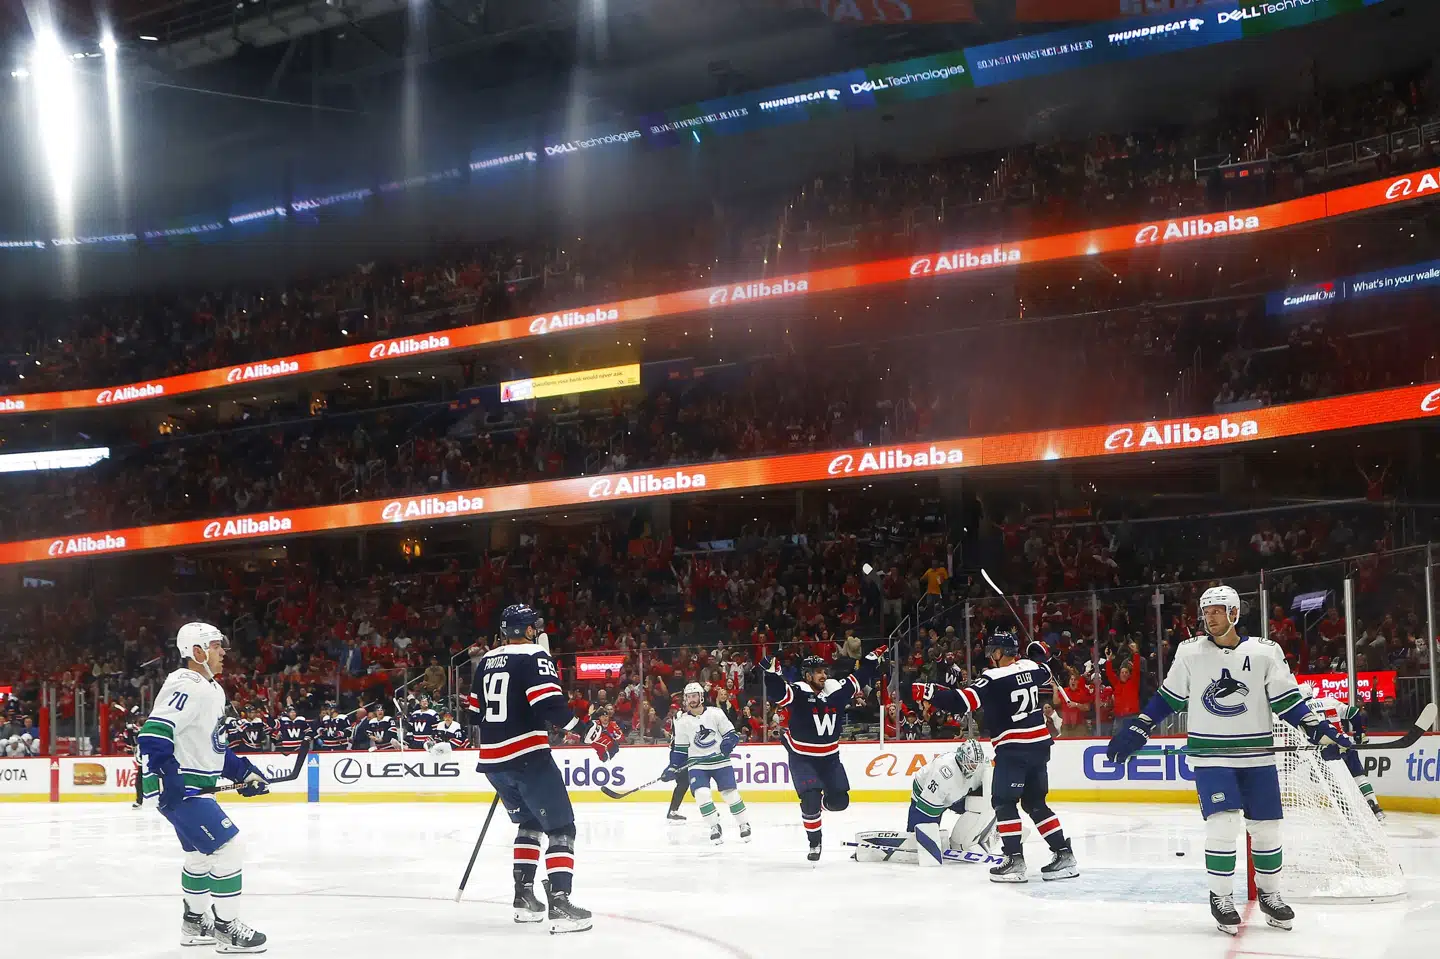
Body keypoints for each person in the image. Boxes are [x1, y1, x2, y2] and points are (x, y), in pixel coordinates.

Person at [1107, 585, 1352, 935]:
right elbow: (1169, 697)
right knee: (1222, 825)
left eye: (1217, 611)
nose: (1210, 618)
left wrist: (1319, 731)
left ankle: (1270, 895)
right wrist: (1141, 726)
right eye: (1206, 612)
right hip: (1211, 757)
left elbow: (1288, 701)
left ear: (1234, 613)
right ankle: (1221, 897)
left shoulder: (1265, 652)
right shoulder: (1190, 651)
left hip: (1258, 757)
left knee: (1266, 829)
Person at [469, 604, 619, 934]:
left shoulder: (486, 661)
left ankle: (523, 898)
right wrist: (590, 732)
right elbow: (551, 707)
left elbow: (474, 713)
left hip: (494, 762)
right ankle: (561, 903)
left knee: (530, 823)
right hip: (527, 757)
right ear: (527, 630)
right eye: (533, 626)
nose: (536, 631)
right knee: (562, 828)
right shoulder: (534, 655)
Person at [137, 622, 271, 953]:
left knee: (199, 856)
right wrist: (169, 776)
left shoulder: (211, 689)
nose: (223, 652)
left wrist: (245, 773)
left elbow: (213, 745)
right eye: (215, 646)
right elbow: (153, 733)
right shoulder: (186, 684)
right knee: (229, 848)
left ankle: (195, 923)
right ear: (197, 652)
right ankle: (227, 930)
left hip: (192, 786)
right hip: (183, 788)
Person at [914, 630, 1077, 883]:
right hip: (1040, 747)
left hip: (1014, 748)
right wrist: (1040, 653)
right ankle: (1064, 855)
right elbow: (1048, 667)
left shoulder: (993, 678)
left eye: (993, 651)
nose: (990, 656)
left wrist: (929, 693)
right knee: (1036, 804)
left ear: (1000, 653)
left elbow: (962, 701)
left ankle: (1014, 860)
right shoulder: (1032, 667)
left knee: (1003, 802)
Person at [759, 646, 887, 861]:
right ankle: (814, 841)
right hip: (802, 757)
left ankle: (815, 807)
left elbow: (859, 678)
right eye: (818, 672)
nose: (823, 675)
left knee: (840, 802)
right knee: (810, 799)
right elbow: (778, 693)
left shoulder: (836, 691)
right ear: (808, 675)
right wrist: (771, 673)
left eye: (824, 671)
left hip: (830, 759)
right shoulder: (798, 692)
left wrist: (871, 659)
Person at [853, 739, 993, 864]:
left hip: (956, 796)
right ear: (961, 757)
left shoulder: (982, 767)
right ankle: (874, 849)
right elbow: (928, 808)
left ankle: (970, 841)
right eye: (970, 763)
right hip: (926, 797)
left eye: (976, 764)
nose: (973, 768)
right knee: (916, 840)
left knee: (982, 805)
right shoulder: (943, 773)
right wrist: (931, 835)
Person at [662, 682, 752, 844]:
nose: (692, 699)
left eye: (694, 696)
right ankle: (714, 826)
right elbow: (680, 749)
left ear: (701, 697)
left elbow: (731, 734)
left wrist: (728, 743)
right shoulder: (681, 721)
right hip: (697, 765)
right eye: (689, 697)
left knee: (730, 794)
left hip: (720, 761)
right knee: (701, 794)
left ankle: (743, 823)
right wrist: (673, 766)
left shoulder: (716, 713)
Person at [1297, 682, 1384, 820]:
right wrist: (1359, 733)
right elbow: (1354, 712)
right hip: (1345, 744)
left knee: (1332, 784)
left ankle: (1347, 813)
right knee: (1359, 777)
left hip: (1325, 751)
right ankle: (1376, 809)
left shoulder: (1301, 710)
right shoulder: (1329, 701)